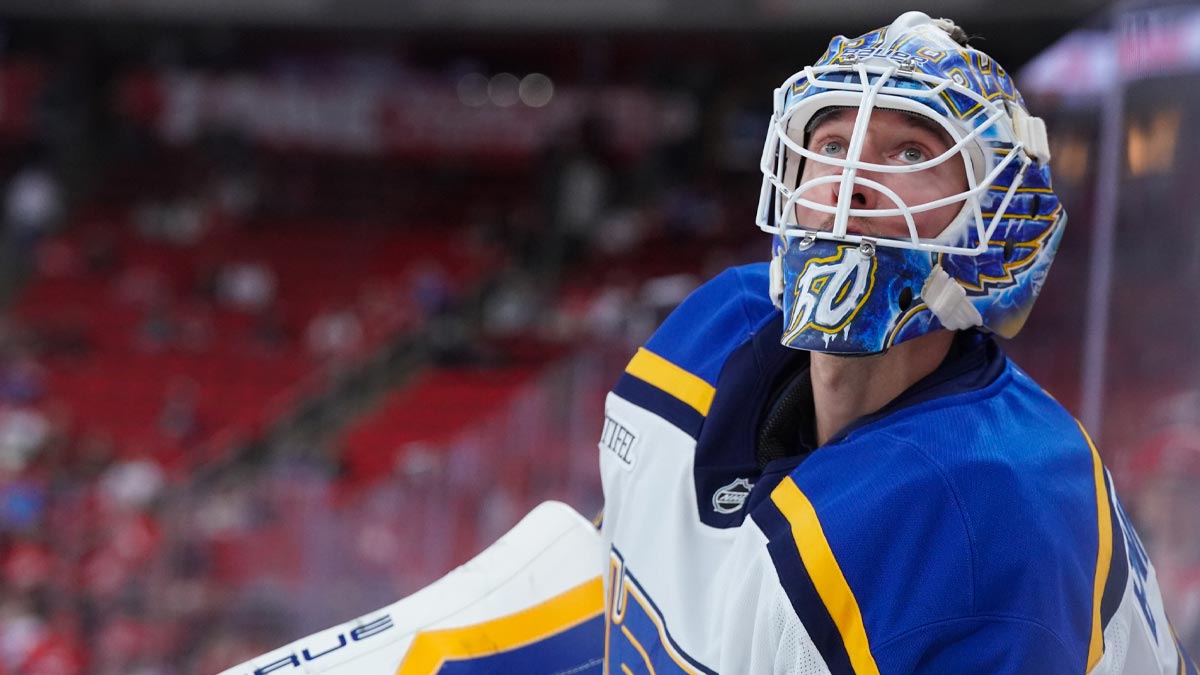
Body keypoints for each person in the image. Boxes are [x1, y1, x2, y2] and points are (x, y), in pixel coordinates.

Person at [598, 11, 1197, 674]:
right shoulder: (711, 328)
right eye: (828, 143)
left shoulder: (987, 513)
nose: (849, 180)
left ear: (991, 225)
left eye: (911, 152)